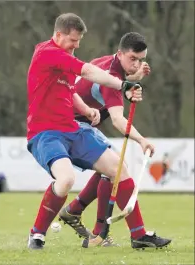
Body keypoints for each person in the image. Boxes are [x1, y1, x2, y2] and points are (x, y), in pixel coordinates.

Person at [26, 13, 144, 250]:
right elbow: (88, 72)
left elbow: (69, 90)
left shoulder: (65, 55)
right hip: (46, 132)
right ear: (58, 35)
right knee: (67, 178)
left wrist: (87, 109)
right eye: (73, 40)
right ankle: (37, 234)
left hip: (73, 129)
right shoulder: (47, 53)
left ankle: (140, 235)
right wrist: (123, 84)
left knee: (116, 167)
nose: (77, 45)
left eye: (79, 41)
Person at [58, 32, 172, 249]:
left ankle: (80, 215)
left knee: (113, 169)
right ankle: (133, 234)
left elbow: (111, 85)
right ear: (120, 54)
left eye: (141, 59)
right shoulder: (111, 77)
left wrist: (132, 79)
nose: (137, 63)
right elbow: (119, 121)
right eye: (133, 59)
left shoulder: (110, 64)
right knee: (118, 169)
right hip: (72, 126)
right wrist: (141, 140)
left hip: (79, 122)